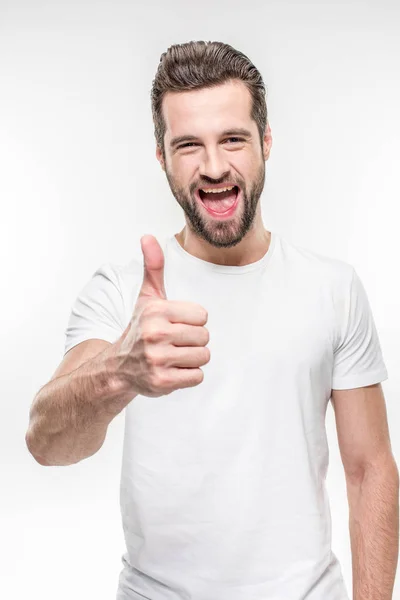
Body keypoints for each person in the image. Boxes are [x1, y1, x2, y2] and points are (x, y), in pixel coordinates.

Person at [26, 41, 399, 600]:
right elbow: (47, 443)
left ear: (266, 142)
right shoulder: (121, 292)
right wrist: (119, 373)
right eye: (188, 146)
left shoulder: (333, 288)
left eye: (233, 139)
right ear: (161, 157)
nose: (215, 167)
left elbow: (370, 470)